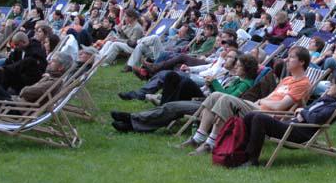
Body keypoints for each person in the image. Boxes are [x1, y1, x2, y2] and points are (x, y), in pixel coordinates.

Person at [180, 47, 311, 155]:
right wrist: (260, 102)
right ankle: (198, 138)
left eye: (292, 57)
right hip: (257, 108)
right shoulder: (287, 80)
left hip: (267, 116)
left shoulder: (302, 83)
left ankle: (211, 143)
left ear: (302, 62)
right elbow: (270, 98)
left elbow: (279, 106)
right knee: (215, 95)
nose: (287, 59)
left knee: (225, 98)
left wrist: (261, 102)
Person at [111, 54, 258, 133]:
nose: (236, 68)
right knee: (171, 104)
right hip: (208, 103)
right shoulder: (238, 80)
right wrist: (211, 85)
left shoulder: (245, 84)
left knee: (172, 107)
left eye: (239, 66)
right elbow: (220, 94)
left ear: (246, 69)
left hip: (212, 109)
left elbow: (227, 98)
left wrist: (214, 83)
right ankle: (132, 120)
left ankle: (132, 121)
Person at [240, 74, 336, 167]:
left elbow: (316, 119)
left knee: (259, 118)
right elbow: (307, 113)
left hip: (296, 133)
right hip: (291, 125)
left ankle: (252, 160)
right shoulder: (325, 100)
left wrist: (303, 113)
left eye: (332, 84)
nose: (328, 86)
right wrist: (303, 113)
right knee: (251, 115)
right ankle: (241, 154)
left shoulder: (333, 106)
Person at [0, 51, 73, 112]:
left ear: (60, 67)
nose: (49, 62)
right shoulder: (52, 79)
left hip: (18, 109)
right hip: (16, 102)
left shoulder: (52, 83)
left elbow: (25, 92)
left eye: (54, 61)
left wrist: (45, 79)